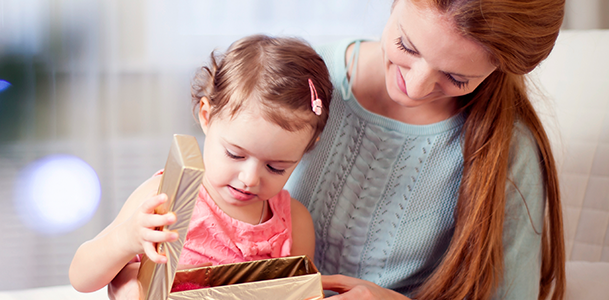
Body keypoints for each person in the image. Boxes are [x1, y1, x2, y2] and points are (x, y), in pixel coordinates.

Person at [283, 0, 566, 299]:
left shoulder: (508, 150)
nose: (414, 88)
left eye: (457, 78)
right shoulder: (296, 85)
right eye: (407, 46)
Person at [68, 34, 334, 294]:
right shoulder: (164, 199)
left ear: (307, 147)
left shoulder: (294, 222)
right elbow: (81, 278)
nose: (250, 178)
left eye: (276, 167)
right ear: (206, 116)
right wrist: (126, 239)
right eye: (235, 154)